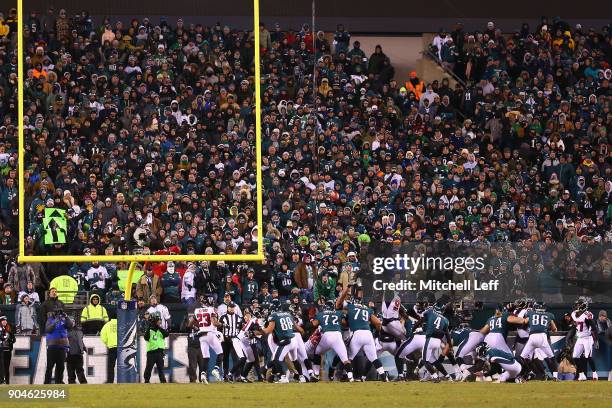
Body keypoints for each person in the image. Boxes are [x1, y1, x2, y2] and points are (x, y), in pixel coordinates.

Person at [310, 299, 354, 381]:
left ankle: (316, 375)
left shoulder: (321, 313)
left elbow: (314, 324)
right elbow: (344, 323)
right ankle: (351, 377)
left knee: (317, 352)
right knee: (345, 359)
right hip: (337, 336)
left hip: (326, 336)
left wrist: (312, 318)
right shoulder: (339, 313)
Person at [520, 302, 559, 380]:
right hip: (542, 337)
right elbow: (554, 329)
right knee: (552, 357)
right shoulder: (548, 315)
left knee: (522, 358)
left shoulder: (530, 313)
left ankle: (523, 375)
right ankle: (555, 376)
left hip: (532, 337)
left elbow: (524, 322)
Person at [189, 294, 224, 383]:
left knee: (206, 357)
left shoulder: (197, 310)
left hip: (201, 336)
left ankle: (203, 374)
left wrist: (197, 328)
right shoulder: (211, 309)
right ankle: (216, 369)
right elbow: (215, 323)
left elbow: (189, 324)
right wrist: (222, 324)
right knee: (220, 353)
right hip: (210, 334)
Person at [44, 309, 74, 384]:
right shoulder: (50, 320)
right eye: (56, 312)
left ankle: (59, 381)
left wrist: (66, 317)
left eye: (59, 312)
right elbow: (48, 329)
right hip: (52, 347)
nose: (58, 314)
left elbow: (70, 325)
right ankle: (47, 383)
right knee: (50, 366)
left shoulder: (64, 320)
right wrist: (55, 321)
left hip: (62, 347)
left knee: (61, 367)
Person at [218, 302, 246, 381]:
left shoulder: (238, 317)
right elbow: (219, 330)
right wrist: (221, 337)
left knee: (236, 358)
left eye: (233, 307)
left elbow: (241, 329)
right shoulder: (222, 317)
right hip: (226, 340)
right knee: (225, 358)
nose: (232, 308)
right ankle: (225, 376)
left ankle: (237, 376)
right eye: (230, 307)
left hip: (235, 340)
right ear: (227, 307)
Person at [143, 314, 169, 383]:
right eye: (158, 320)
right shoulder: (149, 330)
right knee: (148, 368)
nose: (160, 322)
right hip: (151, 352)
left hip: (160, 353)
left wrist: (158, 327)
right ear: (155, 321)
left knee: (161, 369)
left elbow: (166, 334)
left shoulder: (161, 330)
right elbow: (146, 337)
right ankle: (146, 381)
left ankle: (163, 382)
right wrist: (149, 327)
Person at [100, 318, 118, 383]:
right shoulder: (122, 324)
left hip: (112, 347)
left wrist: (107, 343)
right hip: (121, 348)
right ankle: (123, 380)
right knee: (123, 365)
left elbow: (102, 336)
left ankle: (110, 381)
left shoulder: (107, 325)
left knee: (111, 366)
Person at [0, 316, 16, 384]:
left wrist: (10, 341)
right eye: (3, 320)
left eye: (5, 320)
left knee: (7, 367)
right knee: (1, 366)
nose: (5, 322)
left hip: (8, 350)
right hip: (1, 350)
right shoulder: (1, 329)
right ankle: (2, 381)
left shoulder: (9, 329)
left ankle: (7, 383)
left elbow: (14, 339)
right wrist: (4, 338)